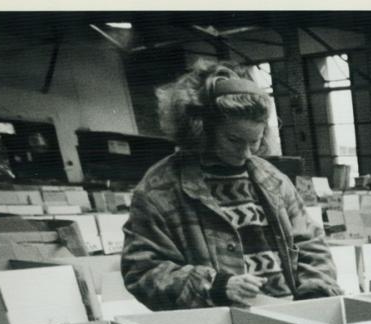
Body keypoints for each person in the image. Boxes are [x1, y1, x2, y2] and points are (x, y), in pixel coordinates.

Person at [123, 60, 340, 311]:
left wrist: (314, 296)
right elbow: (142, 272)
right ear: (201, 129)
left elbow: (311, 246)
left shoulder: (273, 180)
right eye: (234, 140)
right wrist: (216, 286)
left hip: (289, 316)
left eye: (255, 141)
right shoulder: (160, 189)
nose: (247, 153)